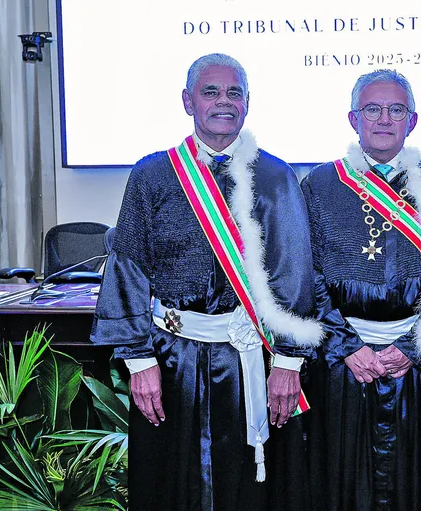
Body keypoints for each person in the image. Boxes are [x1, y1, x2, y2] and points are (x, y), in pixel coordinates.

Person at [91, 53, 323, 511]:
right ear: (187, 101)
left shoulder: (276, 177)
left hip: (249, 360)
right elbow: (128, 268)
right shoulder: (152, 174)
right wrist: (138, 361)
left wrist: (290, 363)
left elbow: (296, 275)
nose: (223, 102)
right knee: (171, 485)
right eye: (211, 92)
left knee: (250, 488)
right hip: (169, 362)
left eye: (234, 93)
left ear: (247, 104)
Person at [300, 69, 421, 511]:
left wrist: (413, 347)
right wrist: (346, 346)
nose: (384, 119)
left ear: (413, 120)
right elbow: (303, 276)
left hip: (415, 367)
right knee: (340, 483)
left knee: (418, 486)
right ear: (353, 118)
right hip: (342, 365)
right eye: (372, 109)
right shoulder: (319, 185)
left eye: (396, 109)